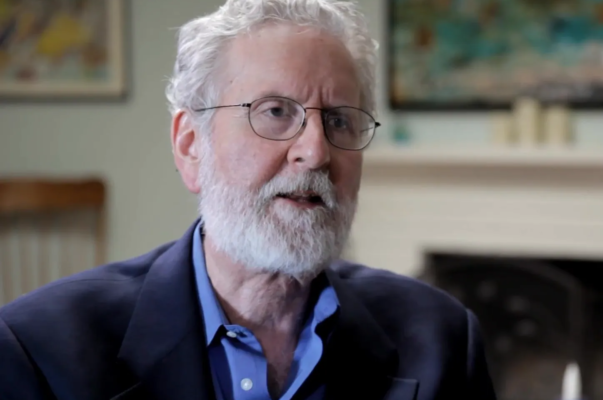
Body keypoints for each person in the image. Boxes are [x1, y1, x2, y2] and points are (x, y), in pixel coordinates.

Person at [0, 1, 497, 399]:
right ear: (191, 144)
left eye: (340, 120)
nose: (316, 151)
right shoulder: (39, 350)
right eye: (276, 111)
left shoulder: (444, 340)